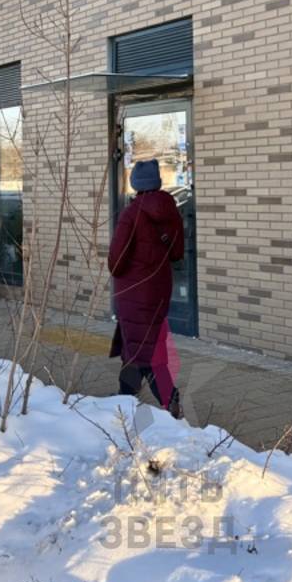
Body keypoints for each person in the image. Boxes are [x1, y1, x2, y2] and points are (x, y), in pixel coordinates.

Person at [107, 159, 185, 417]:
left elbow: (116, 262)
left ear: (135, 184)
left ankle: (169, 400)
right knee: (137, 345)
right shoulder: (171, 211)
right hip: (159, 290)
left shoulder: (131, 214)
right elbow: (177, 253)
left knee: (144, 350)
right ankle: (125, 398)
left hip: (134, 291)